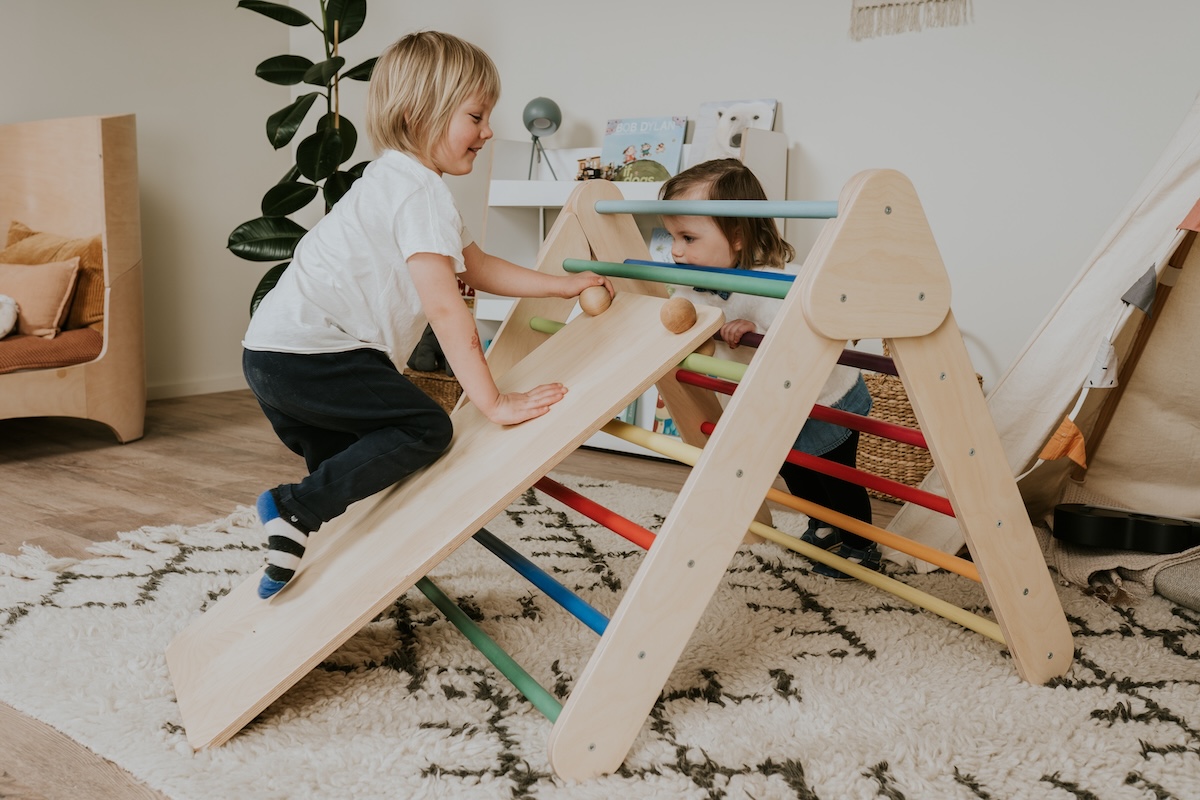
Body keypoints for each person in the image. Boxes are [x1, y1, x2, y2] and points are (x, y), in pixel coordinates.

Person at [241, 31, 612, 599]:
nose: (488, 131)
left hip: (271, 354)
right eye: (476, 116)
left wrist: (563, 286)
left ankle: (301, 559)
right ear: (421, 114)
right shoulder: (419, 196)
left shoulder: (394, 180)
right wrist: (493, 402)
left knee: (361, 471)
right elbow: (445, 304)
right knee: (424, 428)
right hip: (315, 352)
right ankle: (290, 510)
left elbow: (477, 266)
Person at [659, 159, 877, 578]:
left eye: (688, 237)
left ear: (737, 236)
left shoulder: (777, 281)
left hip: (826, 399)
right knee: (794, 469)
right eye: (672, 237)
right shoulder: (691, 286)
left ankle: (860, 543)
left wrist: (759, 328)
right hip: (773, 406)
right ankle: (822, 523)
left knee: (836, 476)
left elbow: (806, 329)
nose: (676, 250)